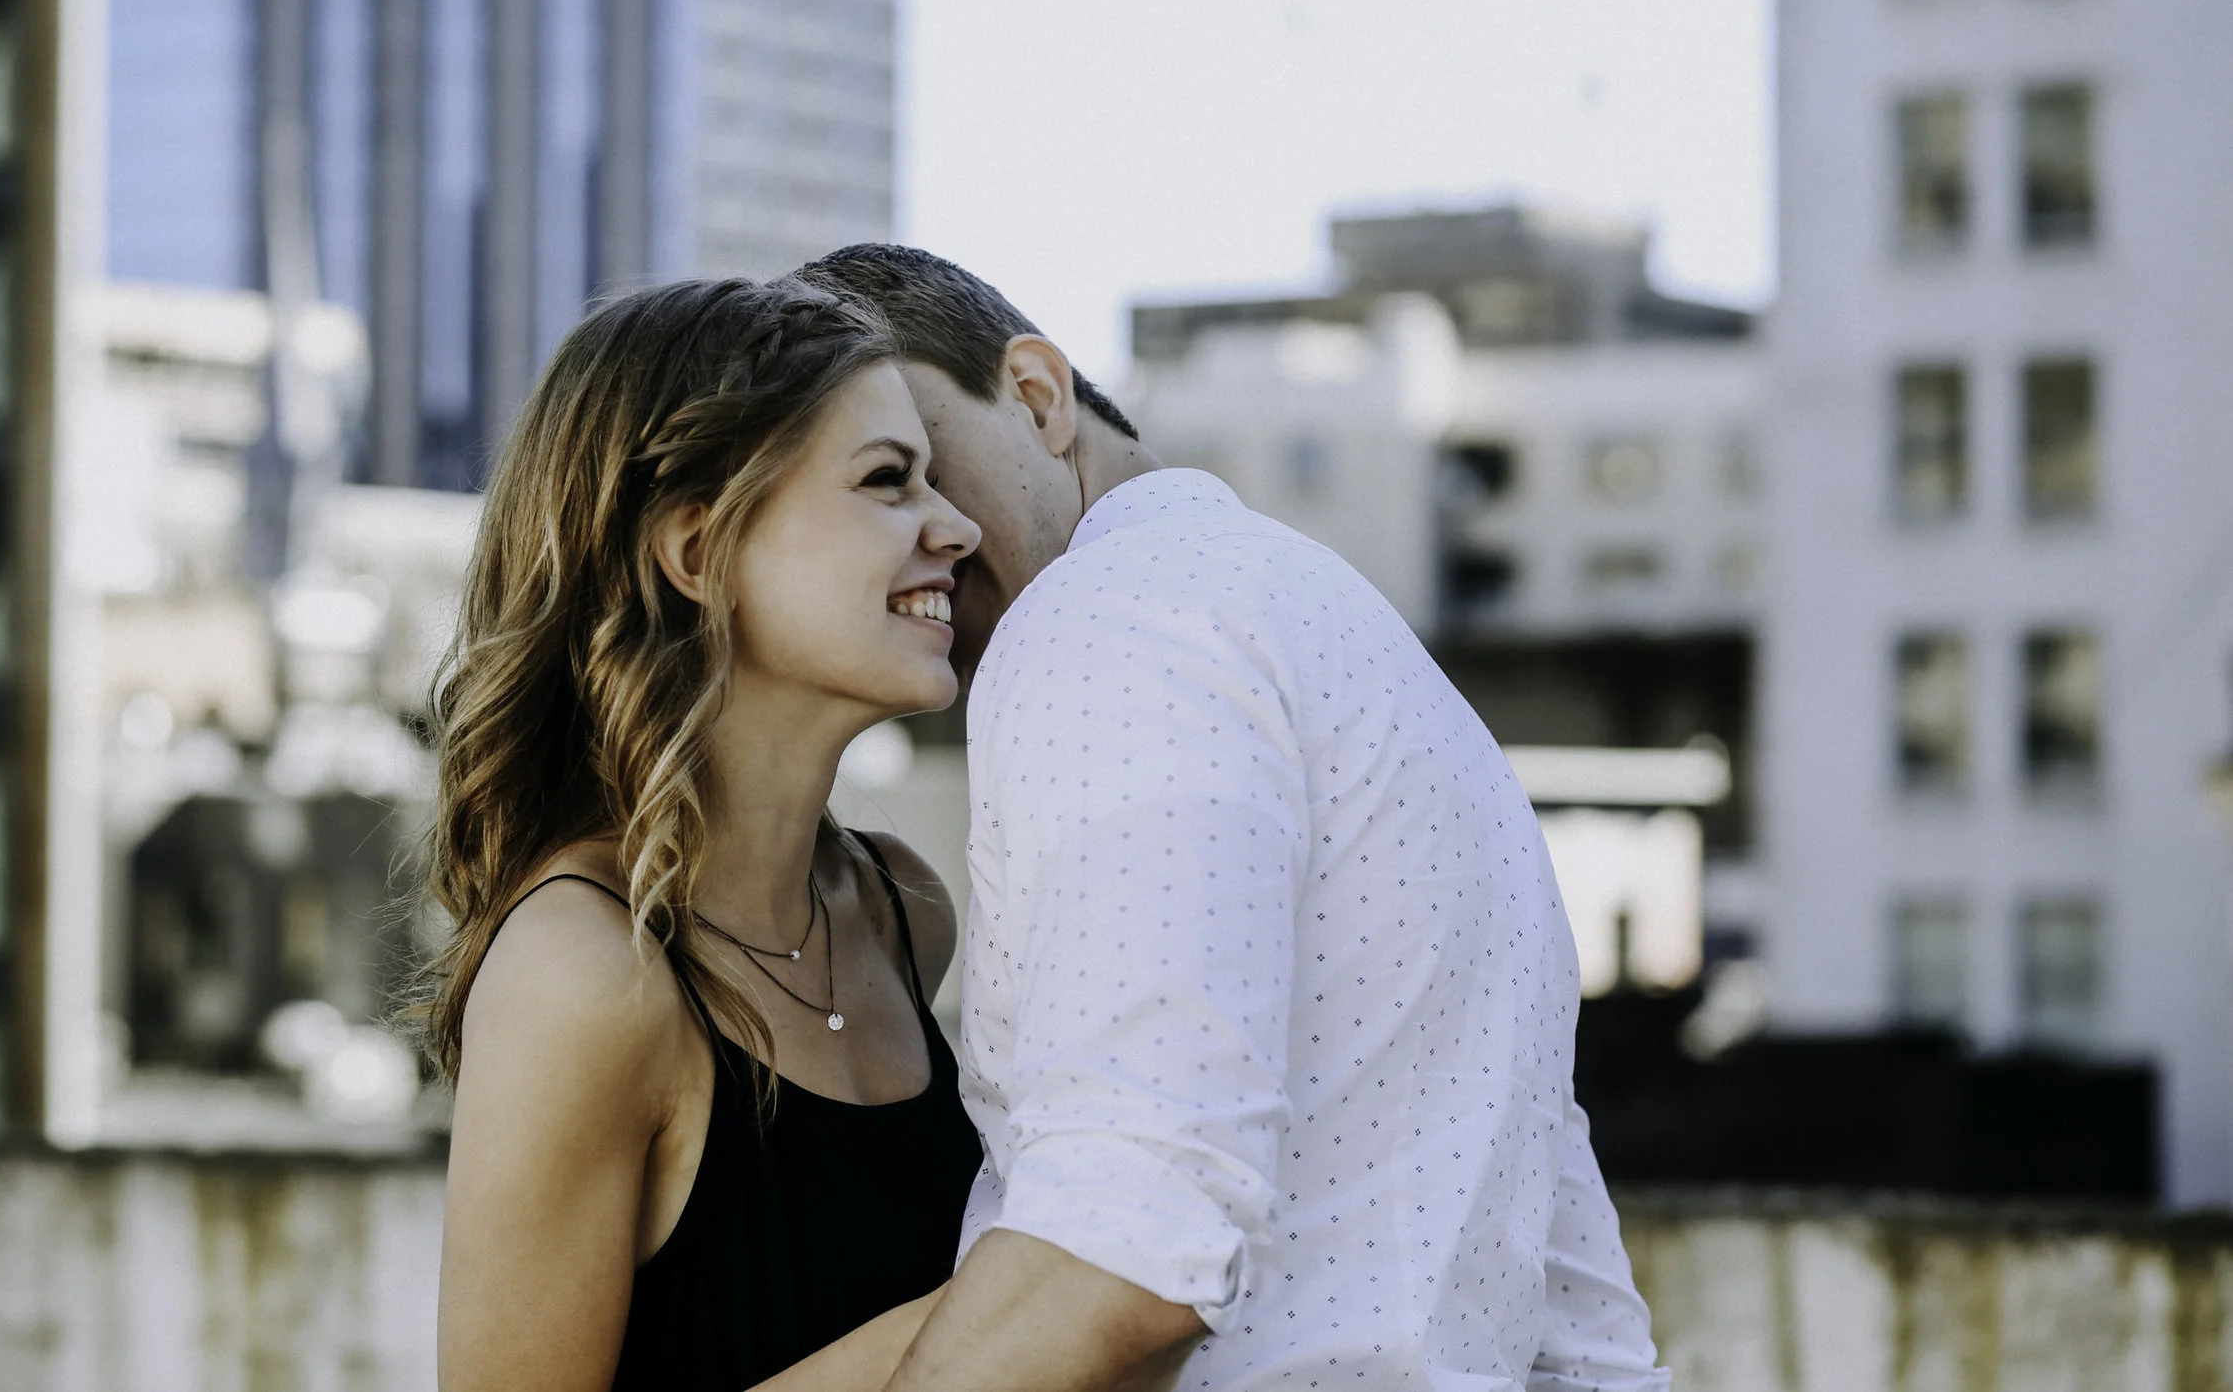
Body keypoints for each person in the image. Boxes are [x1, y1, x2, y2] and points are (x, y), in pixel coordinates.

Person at [791, 244, 1672, 1392]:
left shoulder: (1107, 619)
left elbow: (1122, 1249)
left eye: (915, 466)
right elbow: (1586, 1334)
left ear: (1039, 395)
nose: (923, 534)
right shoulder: (1363, 645)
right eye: (867, 489)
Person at [426, 277, 988, 1392]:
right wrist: (1012, 1311)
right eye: (887, 480)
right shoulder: (587, 973)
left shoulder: (903, 910)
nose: (956, 527)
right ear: (697, 552)